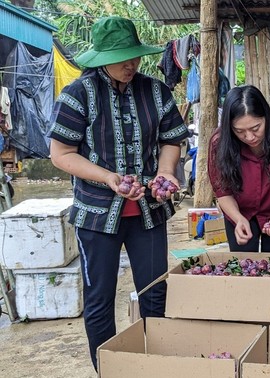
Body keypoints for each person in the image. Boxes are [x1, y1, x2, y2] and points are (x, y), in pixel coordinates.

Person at [48, 16, 188, 371]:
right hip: (96, 216)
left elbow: (173, 139)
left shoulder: (155, 91)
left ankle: (154, 366)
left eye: (135, 56)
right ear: (100, 57)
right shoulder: (77, 95)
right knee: (99, 299)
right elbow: (61, 154)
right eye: (122, 57)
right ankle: (108, 368)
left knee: (155, 292)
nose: (131, 64)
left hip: (149, 213)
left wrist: (165, 172)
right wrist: (108, 177)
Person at [208, 85, 270, 253]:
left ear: (266, 116)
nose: (250, 137)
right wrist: (238, 219)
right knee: (243, 269)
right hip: (240, 211)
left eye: (256, 128)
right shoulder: (219, 142)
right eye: (239, 131)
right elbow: (222, 192)